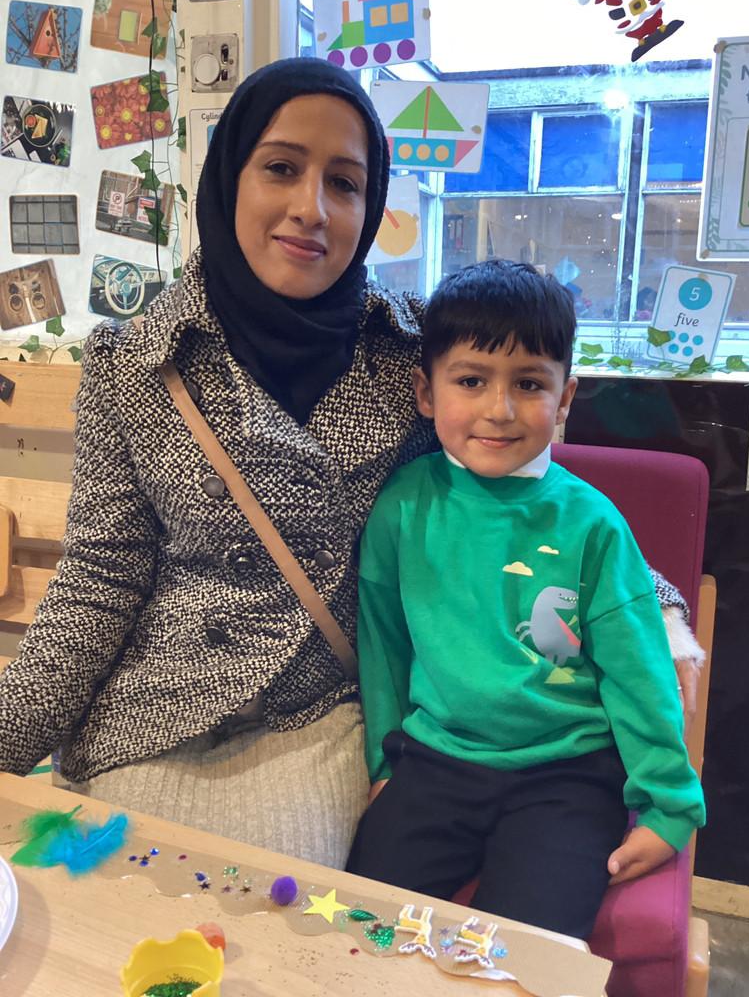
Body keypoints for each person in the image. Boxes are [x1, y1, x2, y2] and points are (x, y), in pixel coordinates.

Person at [0, 59, 702, 871]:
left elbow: (523, 497)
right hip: (151, 710)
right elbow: (101, 578)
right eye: (281, 168)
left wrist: (657, 609)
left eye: (345, 183)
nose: (312, 208)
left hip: (316, 712)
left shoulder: (412, 349)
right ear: (228, 178)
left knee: (266, 912)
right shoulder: (135, 363)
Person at [345, 260, 705, 937]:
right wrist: (385, 764)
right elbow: (383, 645)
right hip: (435, 764)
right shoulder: (401, 507)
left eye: (530, 384)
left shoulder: (594, 524)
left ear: (565, 398)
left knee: (527, 952)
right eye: (471, 380)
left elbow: (637, 671)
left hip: (568, 776)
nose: (499, 409)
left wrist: (671, 804)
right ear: (426, 391)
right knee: (362, 932)